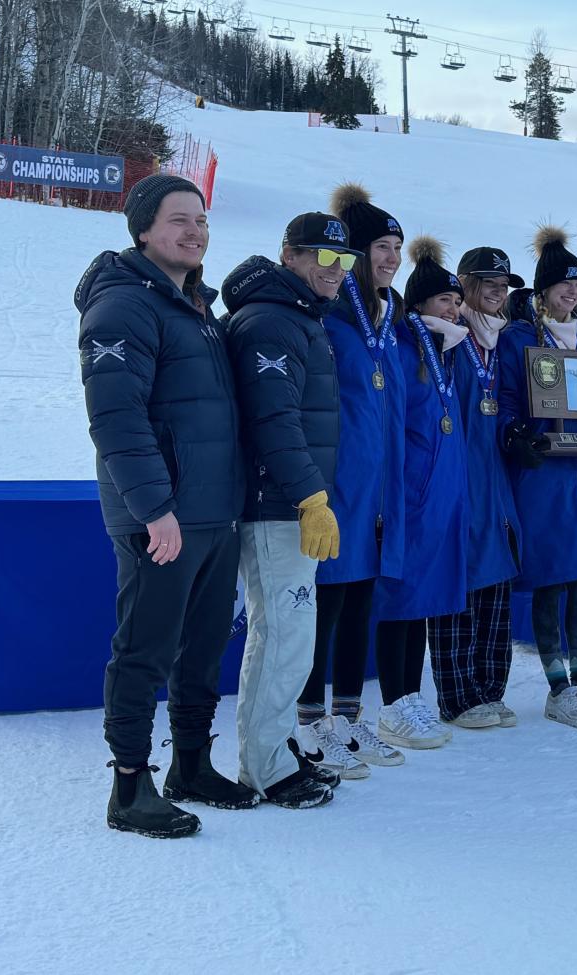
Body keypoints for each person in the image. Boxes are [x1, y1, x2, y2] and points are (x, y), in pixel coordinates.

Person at [77, 173, 254, 838]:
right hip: (163, 517)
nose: (196, 232)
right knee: (146, 649)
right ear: (144, 229)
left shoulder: (195, 308)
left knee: (204, 649)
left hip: (213, 513)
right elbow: (117, 419)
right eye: (180, 220)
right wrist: (155, 508)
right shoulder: (122, 306)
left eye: (203, 221)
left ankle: (192, 764)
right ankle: (129, 786)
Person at [221, 213, 355, 809]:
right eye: (322, 259)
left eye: (343, 262)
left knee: (286, 637)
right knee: (283, 639)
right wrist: (309, 496)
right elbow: (273, 421)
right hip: (278, 505)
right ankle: (266, 766)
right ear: (289, 256)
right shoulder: (272, 322)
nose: (335, 271)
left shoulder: (297, 317)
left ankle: (269, 748)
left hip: (288, 503)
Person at [294, 184, 408, 778]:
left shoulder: (392, 315)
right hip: (333, 486)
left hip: (375, 488)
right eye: (381, 247)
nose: (391, 258)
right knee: (329, 603)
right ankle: (309, 721)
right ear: (353, 255)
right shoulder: (333, 313)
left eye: (397, 248)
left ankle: (346, 715)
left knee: (360, 599)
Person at [498, 226, 577, 728]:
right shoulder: (519, 338)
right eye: (562, 285)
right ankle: (556, 686)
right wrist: (515, 434)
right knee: (552, 579)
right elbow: (505, 399)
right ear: (543, 291)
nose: (572, 293)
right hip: (545, 474)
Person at [371, 238, 473, 741]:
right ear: (418, 306)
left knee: (423, 603)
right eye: (443, 302)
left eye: (456, 301)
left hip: (438, 497)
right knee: (400, 601)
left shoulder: (447, 350)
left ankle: (411, 696)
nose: (453, 309)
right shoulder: (406, 345)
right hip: (410, 493)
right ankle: (392, 701)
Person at [451, 243, 526, 729]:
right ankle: (459, 697)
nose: (498, 293)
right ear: (467, 288)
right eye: (488, 285)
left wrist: (518, 431)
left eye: (504, 286)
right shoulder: (450, 340)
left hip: (499, 479)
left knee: (496, 584)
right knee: (461, 588)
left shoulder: (509, 342)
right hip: (460, 480)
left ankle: (491, 688)